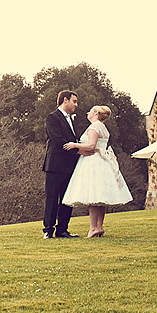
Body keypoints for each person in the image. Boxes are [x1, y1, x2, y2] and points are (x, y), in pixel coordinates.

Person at [62, 105, 132, 237]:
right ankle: (99, 226)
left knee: (93, 195)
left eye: (90, 111)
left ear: (95, 113)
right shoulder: (103, 127)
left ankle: (94, 227)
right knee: (100, 196)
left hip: (93, 161)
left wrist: (74, 145)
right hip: (103, 162)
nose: (88, 113)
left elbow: (91, 146)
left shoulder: (94, 127)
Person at [43, 90, 94, 238]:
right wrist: (78, 151)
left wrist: (80, 148)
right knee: (52, 199)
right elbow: (58, 140)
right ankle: (48, 230)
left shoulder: (71, 120)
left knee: (67, 199)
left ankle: (62, 230)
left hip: (70, 165)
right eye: (74, 101)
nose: (76, 105)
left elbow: (73, 141)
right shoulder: (52, 118)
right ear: (65, 100)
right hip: (54, 165)